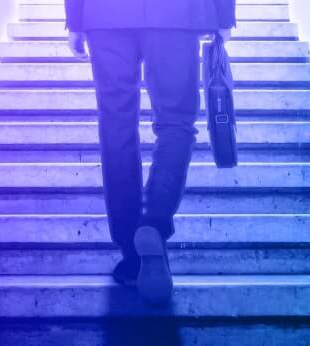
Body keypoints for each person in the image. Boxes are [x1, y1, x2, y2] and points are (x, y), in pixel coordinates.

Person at [64, 0, 236, 305]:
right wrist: (224, 14)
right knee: (176, 121)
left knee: (116, 125)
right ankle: (154, 221)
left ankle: (132, 255)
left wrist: (75, 18)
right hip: (177, 12)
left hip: (105, 14)